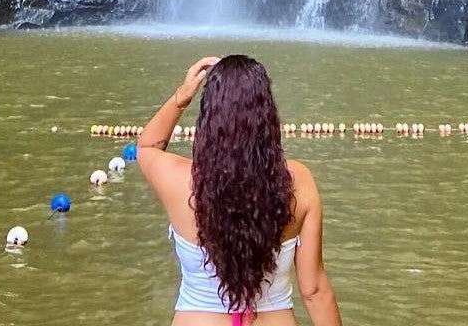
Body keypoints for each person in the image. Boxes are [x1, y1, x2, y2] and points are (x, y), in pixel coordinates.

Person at [138, 55, 343, 326]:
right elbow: (314, 290)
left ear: (208, 117)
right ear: (268, 116)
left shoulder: (180, 181)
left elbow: (148, 146)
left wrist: (181, 96)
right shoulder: (298, 183)